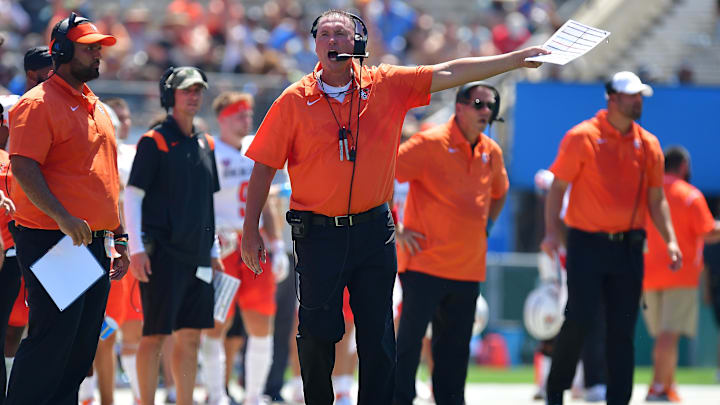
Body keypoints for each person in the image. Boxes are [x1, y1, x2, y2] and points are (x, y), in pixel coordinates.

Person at [240, 9, 546, 405]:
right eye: (324, 34)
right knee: (317, 333)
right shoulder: (293, 100)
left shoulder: (386, 83)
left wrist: (514, 59)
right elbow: (263, 168)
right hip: (318, 234)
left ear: (359, 43)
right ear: (315, 44)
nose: (332, 41)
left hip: (373, 231)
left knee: (378, 336)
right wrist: (251, 231)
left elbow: (450, 71)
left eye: (341, 34)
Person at [4, 12, 130, 405]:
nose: (98, 56)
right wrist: (62, 216)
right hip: (54, 239)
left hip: (90, 240)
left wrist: (120, 234)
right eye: (89, 48)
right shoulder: (39, 103)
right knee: (50, 345)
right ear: (61, 51)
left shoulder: (95, 105)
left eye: (99, 49)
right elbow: (23, 165)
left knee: (79, 349)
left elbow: (107, 178)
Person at [541, 71, 682, 405]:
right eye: (631, 96)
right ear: (611, 98)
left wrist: (671, 240)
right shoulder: (582, 136)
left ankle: (619, 399)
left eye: (640, 96)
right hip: (586, 244)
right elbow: (557, 187)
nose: (638, 101)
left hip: (629, 247)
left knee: (622, 329)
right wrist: (551, 233)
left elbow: (656, 198)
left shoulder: (648, 144)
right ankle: (555, 389)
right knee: (579, 319)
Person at [392, 82, 508, 405]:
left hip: (468, 268)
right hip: (423, 264)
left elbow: (500, 192)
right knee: (409, 344)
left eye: (491, 105)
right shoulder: (429, 143)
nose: (486, 111)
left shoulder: (491, 151)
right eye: (479, 104)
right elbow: (384, 174)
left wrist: (485, 227)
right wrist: (396, 226)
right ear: (459, 107)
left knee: (455, 351)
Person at [124, 66, 223, 405]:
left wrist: (213, 250)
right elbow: (132, 196)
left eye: (198, 90)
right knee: (153, 335)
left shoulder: (206, 142)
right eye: (186, 90)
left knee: (192, 337)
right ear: (170, 95)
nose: (194, 96)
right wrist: (136, 250)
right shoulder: (154, 141)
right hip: (162, 254)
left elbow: (206, 203)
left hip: (197, 255)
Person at [199, 91, 288, 405]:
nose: (246, 119)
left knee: (261, 321)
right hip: (222, 247)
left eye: (248, 114)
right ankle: (216, 393)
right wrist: (207, 240)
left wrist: (276, 243)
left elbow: (268, 201)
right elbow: (200, 203)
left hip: (254, 243)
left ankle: (253, 395)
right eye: (239, 114)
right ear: (223, 118)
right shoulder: (208, 150)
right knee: (216, 323)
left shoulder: (255, 147)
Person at [642, 146, 720, 402]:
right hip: (680, 272)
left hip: (647, 274)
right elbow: (708, 232)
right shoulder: (690, 195)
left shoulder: (647, 192)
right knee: (669, 334)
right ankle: (656, 387)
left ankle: (668, 384)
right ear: (684, 166)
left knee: (663, 335)